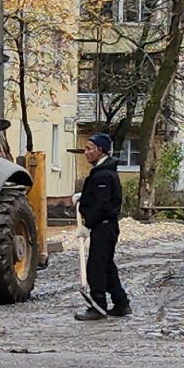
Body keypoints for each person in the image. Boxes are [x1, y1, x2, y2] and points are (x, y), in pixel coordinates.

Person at [75, 131, 132, 321]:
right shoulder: (103, 172)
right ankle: (121, 303)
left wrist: (88, 224)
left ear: (100, 151)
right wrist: (84, 199)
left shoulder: (104, 175)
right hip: (105, 226)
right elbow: (98, 200)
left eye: (89, 149)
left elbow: (102, 205)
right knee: (107, 266)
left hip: (103, 226)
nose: (86, 152)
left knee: (96, 267)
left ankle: (98, 307)